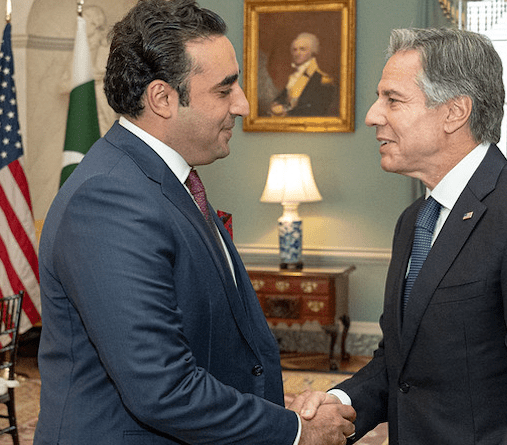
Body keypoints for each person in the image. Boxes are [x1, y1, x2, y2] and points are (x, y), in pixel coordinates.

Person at [34, 1, 355, 444]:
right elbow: (162, 388)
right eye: (224, 90)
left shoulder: (165, 179)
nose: (243, 105)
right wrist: (296, 431)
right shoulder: (109, 199)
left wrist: (270, 408)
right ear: (163, 98)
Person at [295, 27, 507, 444]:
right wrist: (336, 402)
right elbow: (400, 366)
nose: (372, 114)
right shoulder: (414, 221)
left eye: (393, 99)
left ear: (455, 112)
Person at [269, 32, 337, 117]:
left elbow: (317, 110)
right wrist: (276, 105)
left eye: (302, 49)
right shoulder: (293, 77)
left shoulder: (323, 80)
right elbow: (281, 99)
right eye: (295, 49)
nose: (297, 53)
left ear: (312, 51)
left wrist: (287, 113)